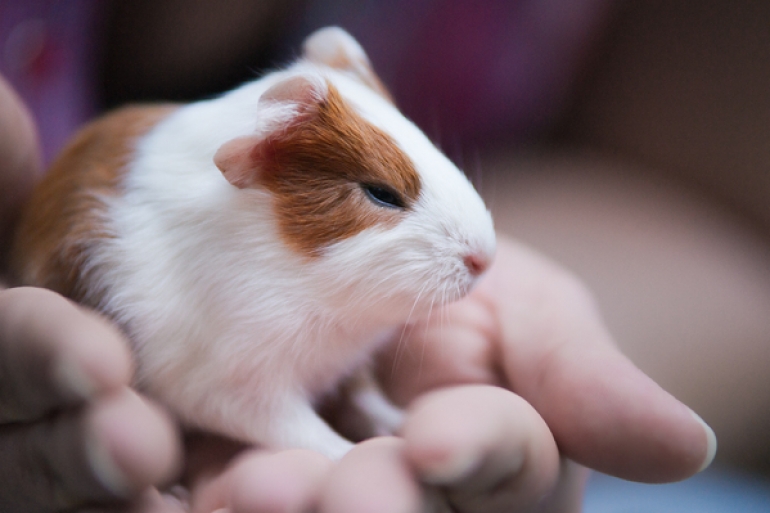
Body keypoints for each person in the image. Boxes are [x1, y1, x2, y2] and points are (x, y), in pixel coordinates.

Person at [0, 72, 714, 512]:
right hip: (95, 363)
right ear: (263, 165)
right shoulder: (215, 259)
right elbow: (227, 391)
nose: (476, 252)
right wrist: (336, 450)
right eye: (381, 193)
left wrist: (365, 399)